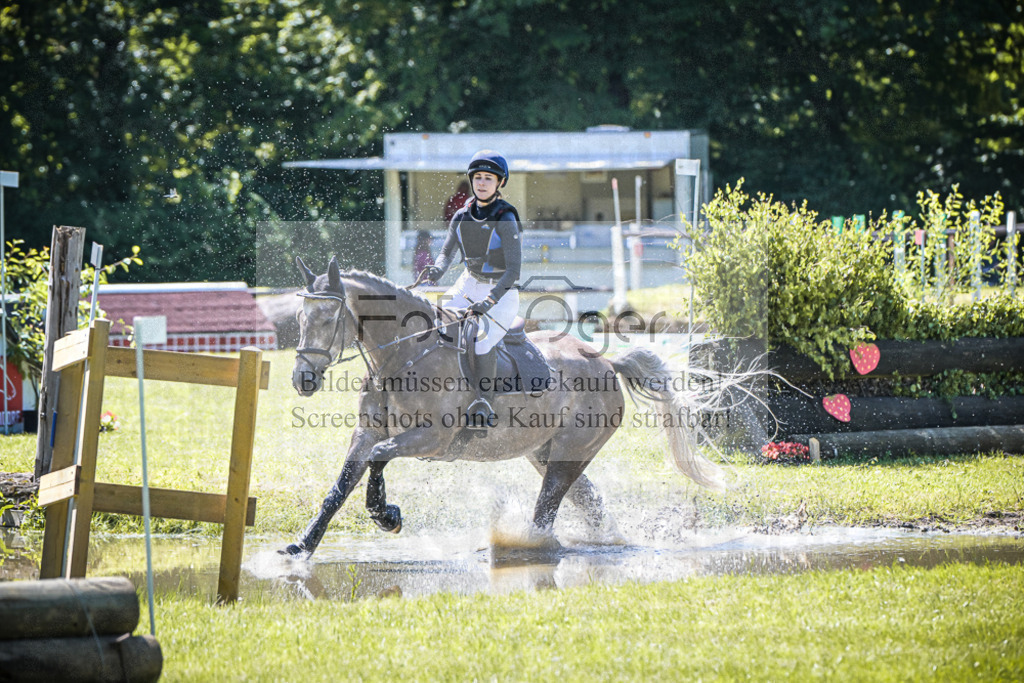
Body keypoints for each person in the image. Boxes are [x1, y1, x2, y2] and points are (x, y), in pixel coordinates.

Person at [422, 151, 522, 430]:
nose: (481, 182)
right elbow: (446, 254)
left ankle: (484, 401)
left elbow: (514, 271)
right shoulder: (461, 215)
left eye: (488, 178)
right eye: (477, 177)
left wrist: (488, 302)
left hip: (501, 291)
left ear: (500, 183)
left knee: (481, 339)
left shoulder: (506, 218)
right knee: (435, 324)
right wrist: (436, 270)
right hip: (468, 283)